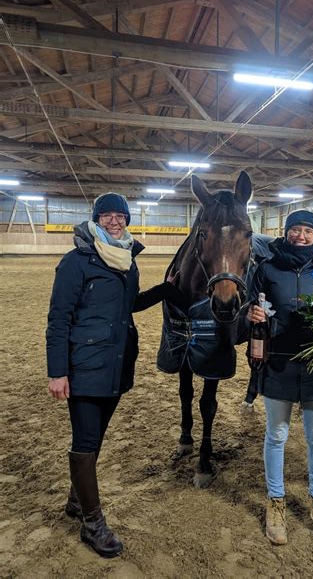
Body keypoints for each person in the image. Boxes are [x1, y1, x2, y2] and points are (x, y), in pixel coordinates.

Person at [46, 192, 183, 558]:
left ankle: (77, 499)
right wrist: (57, 372)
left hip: (117, 365)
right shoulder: (76, 263)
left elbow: (131, 304)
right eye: (105, 216)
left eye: (119, 216)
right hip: (85, 366)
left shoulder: (127, 261)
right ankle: (92, 523)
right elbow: (58, 320)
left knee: (96, 437)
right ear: (95, 220)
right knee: (86, 441)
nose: (114, 221)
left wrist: (166, 288)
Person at [247, 209, 313, 546]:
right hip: (279, 364)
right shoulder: (267, 267)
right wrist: (252, 313)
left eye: (308, 231)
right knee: (276, 435)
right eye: (296, 230)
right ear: (286, 232)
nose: (302, 236)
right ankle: (276, 501)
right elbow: (248, 306)